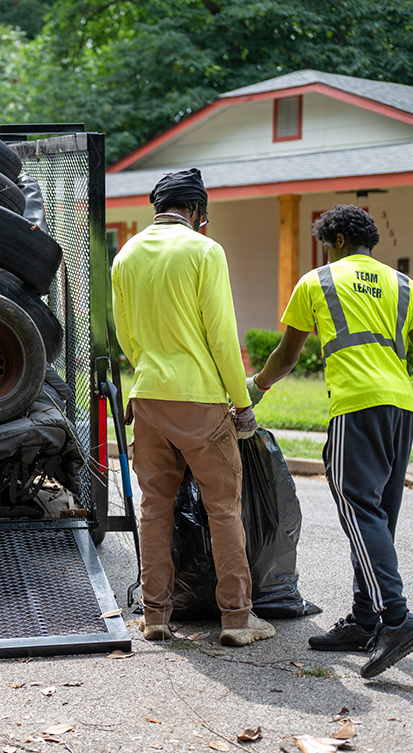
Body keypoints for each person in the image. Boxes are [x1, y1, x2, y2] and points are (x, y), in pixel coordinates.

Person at [247, 203, 413, 678]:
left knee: (358, 511)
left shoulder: (318, 280)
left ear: (335, 241)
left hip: (356, 406)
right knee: (375, 519)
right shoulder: (405, 286)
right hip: (400, 410)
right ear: (370, 242)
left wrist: (256, 387)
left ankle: (397, 618)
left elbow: (288, 355)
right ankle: (365, 619)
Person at [112, 168, 276, 647]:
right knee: (223, 508)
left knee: (155, 508)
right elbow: (221, 337)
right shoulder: (206, 251)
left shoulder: (125, 255)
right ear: (197, 211)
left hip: (147, 397)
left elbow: (126, 336)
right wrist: (242, 403)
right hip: (201, 401)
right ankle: (237, 620)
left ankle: (156, 616)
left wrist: (143, 377)